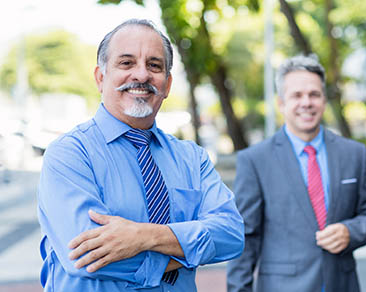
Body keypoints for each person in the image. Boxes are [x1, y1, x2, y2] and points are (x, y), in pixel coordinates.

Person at [37, 19, 244, 291]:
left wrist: (143, 237)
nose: (142, 75)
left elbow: (231, 233)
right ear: (101, 77)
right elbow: (88, 258)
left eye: (154, 65)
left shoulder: (192, 158)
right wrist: (188, 251)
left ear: (167, 84)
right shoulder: (69, 155)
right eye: (126, 63)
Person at [226, 55, 366, 292]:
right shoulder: (255, 160)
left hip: (342, 284)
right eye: (297, 95)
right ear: (281, 103)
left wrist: (350, 232)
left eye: (314, 94)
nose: (306, 102)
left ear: (323, 99)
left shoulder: (354, 153)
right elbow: (245, 239)